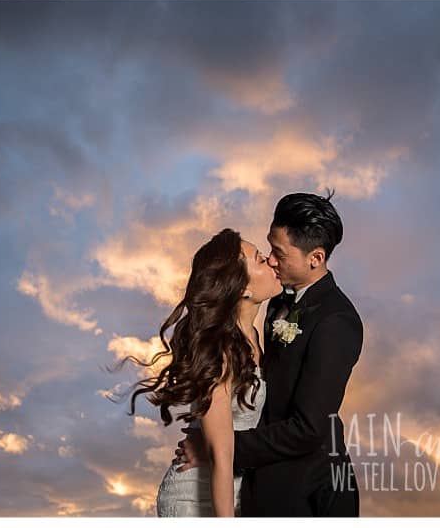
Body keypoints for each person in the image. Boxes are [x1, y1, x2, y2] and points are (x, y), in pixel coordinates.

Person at [174, 191, 364, 516]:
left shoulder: (337, 321)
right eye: (267, 250)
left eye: (278, 253)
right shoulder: (276, 302)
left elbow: (307, 429)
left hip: (308, 490)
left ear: (315, 258)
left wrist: (217, 448)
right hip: (258, 483)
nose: (272, 261)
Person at [117, 228, 282, 516]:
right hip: (195, 497)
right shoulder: (219, 349)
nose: (270, 261)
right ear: (242, 287)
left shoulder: (256, 336)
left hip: (238, 488)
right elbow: (221, 454)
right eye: (259, 259)